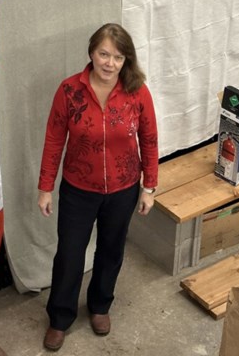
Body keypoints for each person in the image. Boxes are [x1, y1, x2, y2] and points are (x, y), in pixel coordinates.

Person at [37, 23, 159, 352]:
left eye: (118, 57)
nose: (109, 63)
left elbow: (149, 139)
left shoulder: (137, 91)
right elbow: (53, 139)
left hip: (123, 188)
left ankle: (100, 306)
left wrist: (150, 186)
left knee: (111, 250)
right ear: (91, 53)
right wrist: (45, 186)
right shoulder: (69, 91)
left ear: (126, 61)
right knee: (70, 255)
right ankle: (60, 318)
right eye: (104, 54)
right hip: (78, 188)